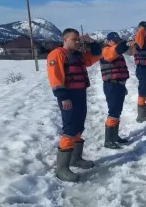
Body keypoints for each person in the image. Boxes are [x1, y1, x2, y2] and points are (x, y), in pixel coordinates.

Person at [46, 28, 102, 182]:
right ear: (65, 40)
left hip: (80, 94)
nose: (77, 41)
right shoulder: (57, 54)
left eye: (78, 39)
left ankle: (75, 159)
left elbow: (95, 56)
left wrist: (94, 44)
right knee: (70, 128)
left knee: (79, 127)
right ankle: (61, 169)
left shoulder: (79, 55)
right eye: (74, 39)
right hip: (68, 96)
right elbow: (55, 77)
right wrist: (63, 97)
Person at [100, 32, 134, 149]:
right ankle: (108, 140)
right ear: (108, 41)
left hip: (119, 85)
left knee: (117, 111)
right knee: (113, 111)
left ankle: (115, 137)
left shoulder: (118, 54)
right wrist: (125, 44)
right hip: (111, 86)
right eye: (114, 41)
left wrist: (123, 85)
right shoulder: (106, 51)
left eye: (117, 40)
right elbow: (113, 53)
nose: (116, 42)